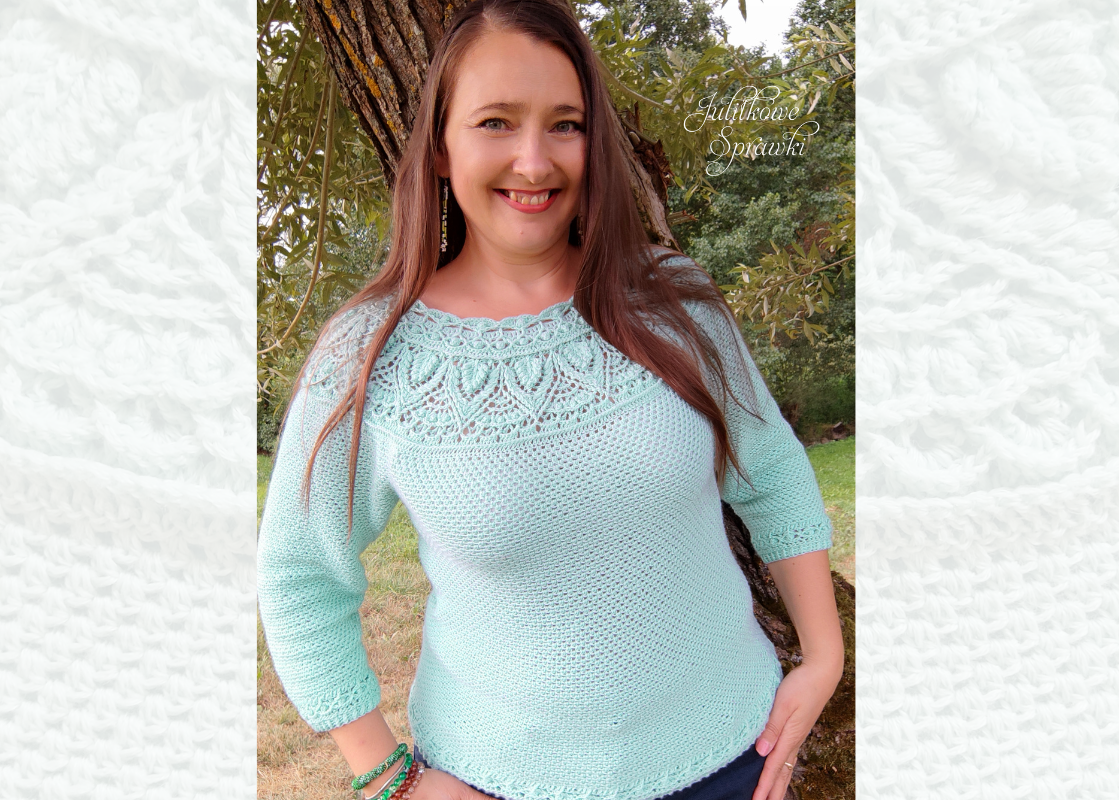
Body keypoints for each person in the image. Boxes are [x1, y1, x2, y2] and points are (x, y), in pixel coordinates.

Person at [256, 2, 844, 800]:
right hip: (503, 780)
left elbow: (768, 467)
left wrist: (823, 655)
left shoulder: (673, 303)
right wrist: (389, 777)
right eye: (496, 122)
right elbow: (299, 574)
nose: (533, 162)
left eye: (565, 125)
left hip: (734, 758)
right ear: (440, 147)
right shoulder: (371, 357)